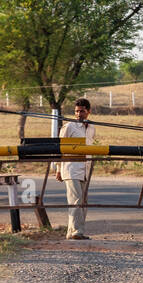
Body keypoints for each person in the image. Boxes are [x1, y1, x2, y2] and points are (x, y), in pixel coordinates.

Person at [52, 98, 96, 240]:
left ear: (88, 112)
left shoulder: (92, 128)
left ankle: (72, 232)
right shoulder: (69, 127)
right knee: (76, 200)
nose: (79, 114)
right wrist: (58, 169)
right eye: (77, 111)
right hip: (71, 168)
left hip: (85, 169)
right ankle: (77, 231)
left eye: (82, 111)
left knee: (82, 201)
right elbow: (59, 149)